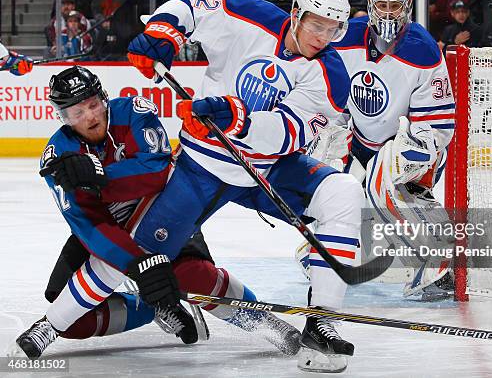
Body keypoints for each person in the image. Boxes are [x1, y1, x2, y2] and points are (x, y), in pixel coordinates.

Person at [126, 0, 362, 373]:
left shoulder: (332, 75)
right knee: (140, 257)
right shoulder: (248, 15)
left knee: (343, 191)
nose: (323, 37)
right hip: (202, 166)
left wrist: (238, 118)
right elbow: (190, 5)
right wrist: (163, 34)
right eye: (316, 25)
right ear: (297, 13)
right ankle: (188, 305)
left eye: (333, 28)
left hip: (268, 170)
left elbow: (290, 132)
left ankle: (322, 320)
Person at [13, 66, 301, 359]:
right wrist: (139, 263)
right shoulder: (59, 157)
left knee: (191, 275)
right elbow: (88, 224)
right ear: (62, 118)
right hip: (108, 234)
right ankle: (153, 308)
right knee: (72, 318)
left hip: (164, 214)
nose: (89, 116)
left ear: (103, 98)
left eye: (92, 104)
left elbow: (157, 171)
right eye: (76, 113)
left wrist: (100, 175)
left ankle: (266, 324)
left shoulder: (133, 112)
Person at [297, 0, 455, 300]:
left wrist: (416, 146)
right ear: (370, 6)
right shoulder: (345, 37)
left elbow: (438, 123)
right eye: (381, 5)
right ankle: (330, 252)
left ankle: (438, 260)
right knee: (326, 184)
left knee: (384, 180)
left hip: (413, 145)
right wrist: (328, 128)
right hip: (361, 144)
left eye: (394, 5)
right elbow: (331, 89)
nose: (387, 12)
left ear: (406, 7)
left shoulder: (422, 50)